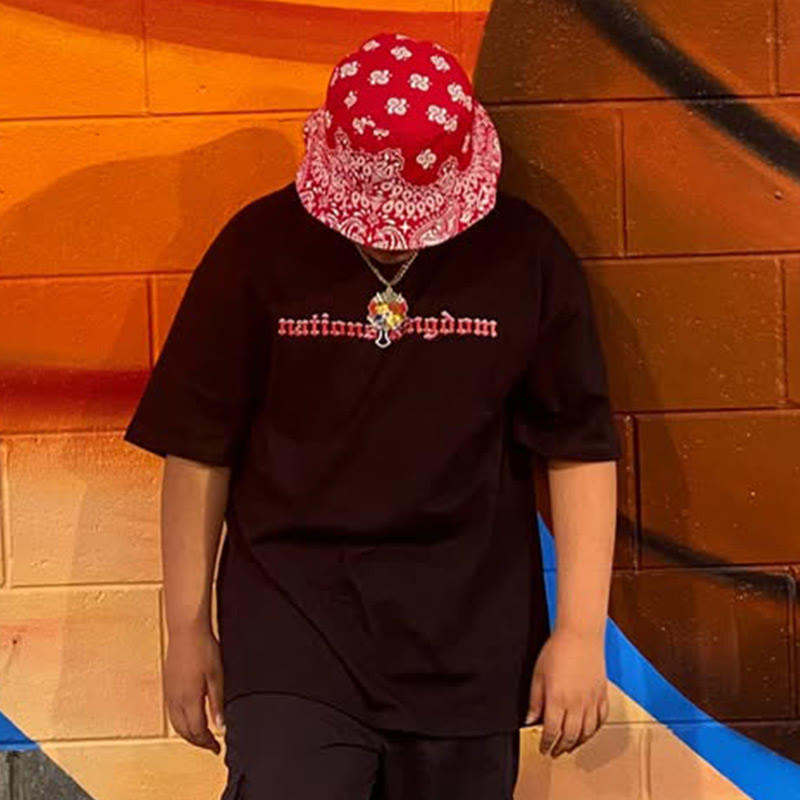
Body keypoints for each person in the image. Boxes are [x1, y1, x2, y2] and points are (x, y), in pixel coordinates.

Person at [123, 30, 621, 800]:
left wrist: (582, 633)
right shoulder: (257, 251)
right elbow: (197, 447)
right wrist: (187, 628)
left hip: (466, 635)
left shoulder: (526, 255)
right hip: (291, 620)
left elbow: (579, 447)